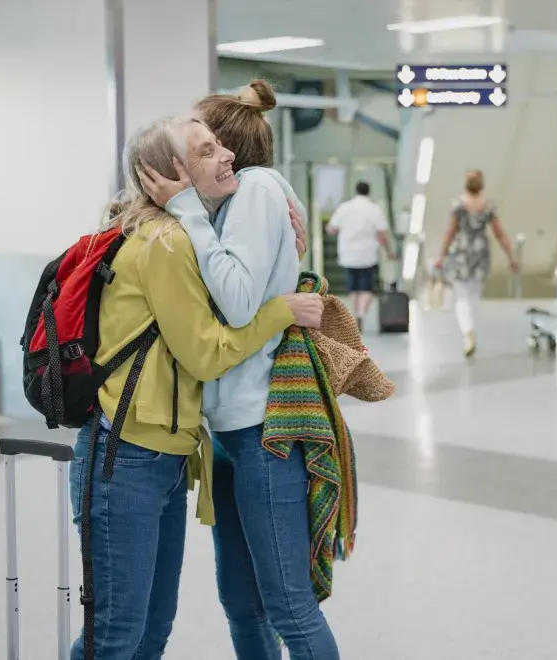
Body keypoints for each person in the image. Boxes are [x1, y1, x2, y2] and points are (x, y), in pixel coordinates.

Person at [69, 116, 324, 660]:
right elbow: (207, 353)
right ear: (170, 175)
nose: (226, 155)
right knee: (117, 636)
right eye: (206, 151)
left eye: (220, 145)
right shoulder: (165, 241)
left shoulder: (185, 230)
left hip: (165, 455)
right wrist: (282, 310)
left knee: (148, 632)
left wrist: (278, 213)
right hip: (127, 454)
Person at [139, 80, 341, 659]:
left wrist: (186, 212)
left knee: (287, 607)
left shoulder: (254, 191)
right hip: (226, 433)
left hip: (262, 433)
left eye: (202, 146)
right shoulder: (226, 208)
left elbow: (236, 302)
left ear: (226, 150)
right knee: (241, 602)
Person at [433, 169, 518, 357]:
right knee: (474, 294)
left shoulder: (458, 205)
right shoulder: (488, 206)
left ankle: (467, 331)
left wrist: (441, 255)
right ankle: (471, 328)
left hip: (461, 252)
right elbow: (499, 233)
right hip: (480, 252)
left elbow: (451, 231)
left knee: (461, 296)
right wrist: (511, 256)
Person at [326, 180, 394, 331]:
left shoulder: (345, 207)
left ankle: (354, 313)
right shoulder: (374, 209)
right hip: (368, 254)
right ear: (368, 191)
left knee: (352, 286)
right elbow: (382, 233)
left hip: (348, 253)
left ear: (356, 191)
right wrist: (389, 251)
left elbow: (332, 229)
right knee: (366, 287)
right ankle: (361, 314)